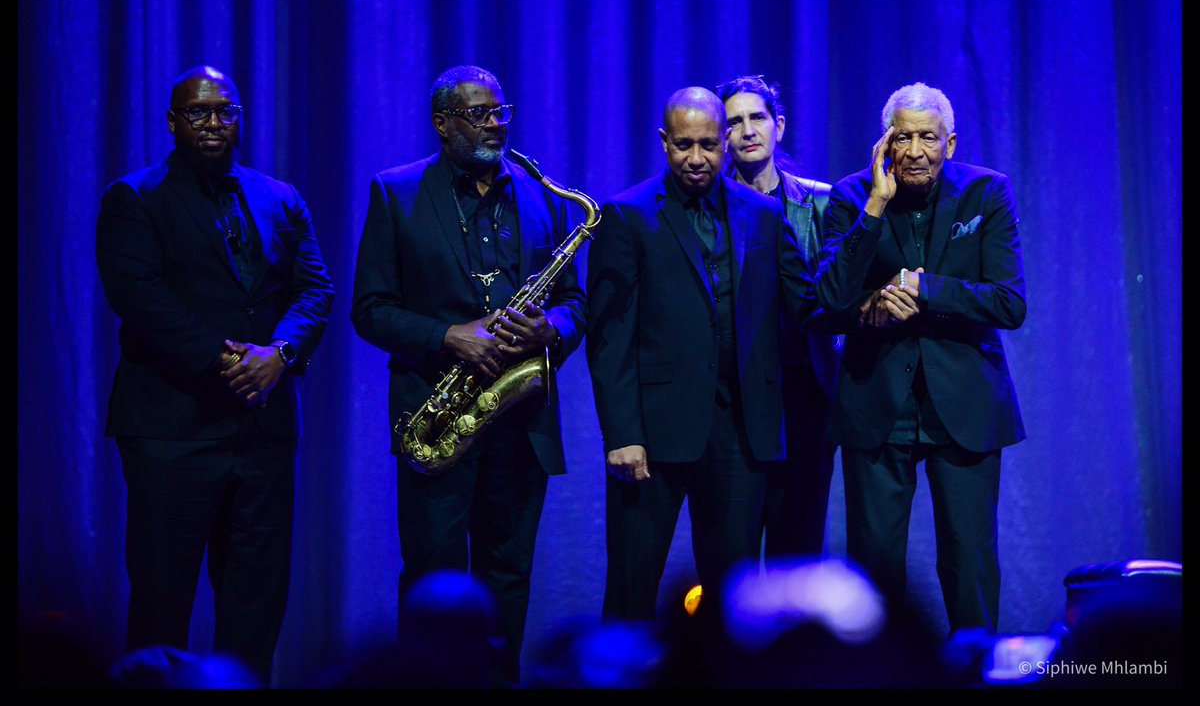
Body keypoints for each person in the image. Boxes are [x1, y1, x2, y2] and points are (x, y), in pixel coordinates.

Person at [96, 65, 335, 683]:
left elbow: (315, 290)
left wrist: (277, 355)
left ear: (239, 120)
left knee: (256, 602)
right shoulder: (134, 198)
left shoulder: (280, 195)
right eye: (198, 112)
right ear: (173, 122)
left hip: (262, 432)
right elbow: (139, 296)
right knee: (161, 601)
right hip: (171, 429)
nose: (213, 123)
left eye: (225, 111)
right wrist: (227, 360)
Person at [350, 65, 586, 685]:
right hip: (440, 415)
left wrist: (551, 330)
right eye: (480, 114)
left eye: (501, 111)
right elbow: (369, 310)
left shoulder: (541, 193)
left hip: (521, 418)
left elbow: (576, 301)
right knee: (434, 579)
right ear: (442, 123)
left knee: (508, 577)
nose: (495, 125)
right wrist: (448, 336)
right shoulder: (394, 193)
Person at [587, 86, 817, 621]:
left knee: (733, 601)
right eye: (684, 145)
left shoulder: (762, 214)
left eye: (709, 146)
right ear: (664, 141)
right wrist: (623, 435)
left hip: (740, 432)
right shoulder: (627, 215)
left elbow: (810, 303)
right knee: (631, 590)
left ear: (727, 141)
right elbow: (609, 336)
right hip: (653, 437)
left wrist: (871, 219)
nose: (697, 159)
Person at [814, 82, 1026, 631]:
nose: (914, 151)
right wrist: (876, 205)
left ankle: (975, 670)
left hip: (965, 405)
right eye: (902, 137)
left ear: (949, 144)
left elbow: (1009, 301)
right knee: (875, 567)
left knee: (968, 562)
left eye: (927, 137)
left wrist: (924, 288)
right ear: (885, 142)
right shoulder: (852, 196)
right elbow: (831, 300)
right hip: (876, 401)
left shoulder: (987, 193)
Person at [716, 75, 840, 557]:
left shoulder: (825, 202)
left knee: (800, 545)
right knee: (732, 550)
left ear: (778, 125)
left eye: (757, 118)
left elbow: (838, 294)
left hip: (807, 393)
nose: (747, 131)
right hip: (736, 397)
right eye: (733, 123)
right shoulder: (710, 209)